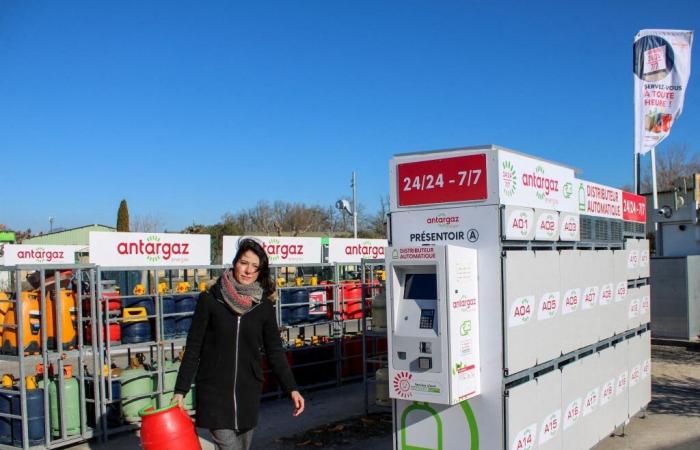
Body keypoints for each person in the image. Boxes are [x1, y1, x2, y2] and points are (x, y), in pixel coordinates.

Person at [173, 238, 304, 450]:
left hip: (247, 390)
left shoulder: (263, 307)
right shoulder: (210, 300)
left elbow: (275, 352)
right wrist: (180, 390)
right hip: (214, 391)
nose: (248, 271)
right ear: (235, 262)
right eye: (244, 263)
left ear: (260, 271)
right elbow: (194, 346)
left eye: (255, 267)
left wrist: (292, 389)